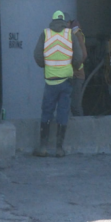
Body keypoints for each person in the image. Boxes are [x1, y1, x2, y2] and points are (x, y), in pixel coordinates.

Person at [33, 10, 84, 157]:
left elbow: (37, 55)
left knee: (47, 111)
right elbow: (79, 56)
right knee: (63, 112)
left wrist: (46, 65)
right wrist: (72, 66)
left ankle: (43, 147)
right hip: (66, 82)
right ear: (64, 21)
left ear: (53, 20)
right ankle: (59, 149)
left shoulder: (45, 34)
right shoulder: (70, 35)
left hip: (51, 81)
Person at [69, 19, 88, 117]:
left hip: (77, 75)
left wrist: (75, 67)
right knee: (70, 105)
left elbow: (83, 55)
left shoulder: (76, 34)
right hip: (72, 74)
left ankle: (82, 128)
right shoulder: (73, 33)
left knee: (75, 106)